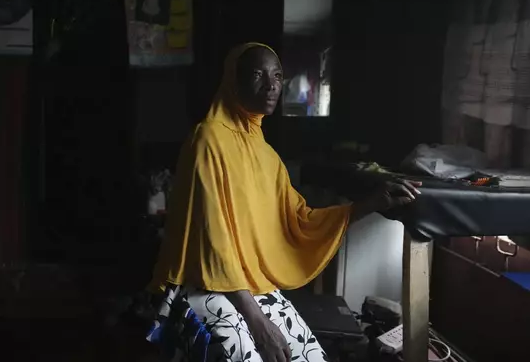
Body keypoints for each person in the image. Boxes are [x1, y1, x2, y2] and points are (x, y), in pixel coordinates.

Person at [145, 43, 421, 362]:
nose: (271, 84)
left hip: (253, 285)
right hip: (208, 285)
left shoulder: (268, 157)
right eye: (258, 74)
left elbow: (299, 218)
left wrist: (373, 202)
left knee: (312, 358)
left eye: (277, 75)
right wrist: (257, 321)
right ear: (233, 81)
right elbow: (212, 241)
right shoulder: (208, 139)